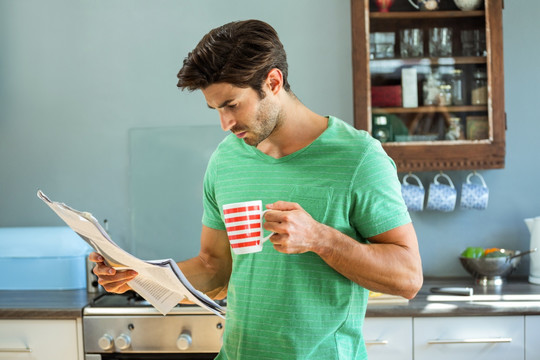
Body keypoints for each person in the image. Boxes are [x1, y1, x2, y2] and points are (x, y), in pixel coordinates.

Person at [90, 19, 423, 359]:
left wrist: (322, 239)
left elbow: (408, 277)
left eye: (232, 105)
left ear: (273, 81)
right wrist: (139, 276)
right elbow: (214, 269)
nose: (225, 123)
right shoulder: (226, 160)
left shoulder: (359, 158)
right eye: (216, 109)